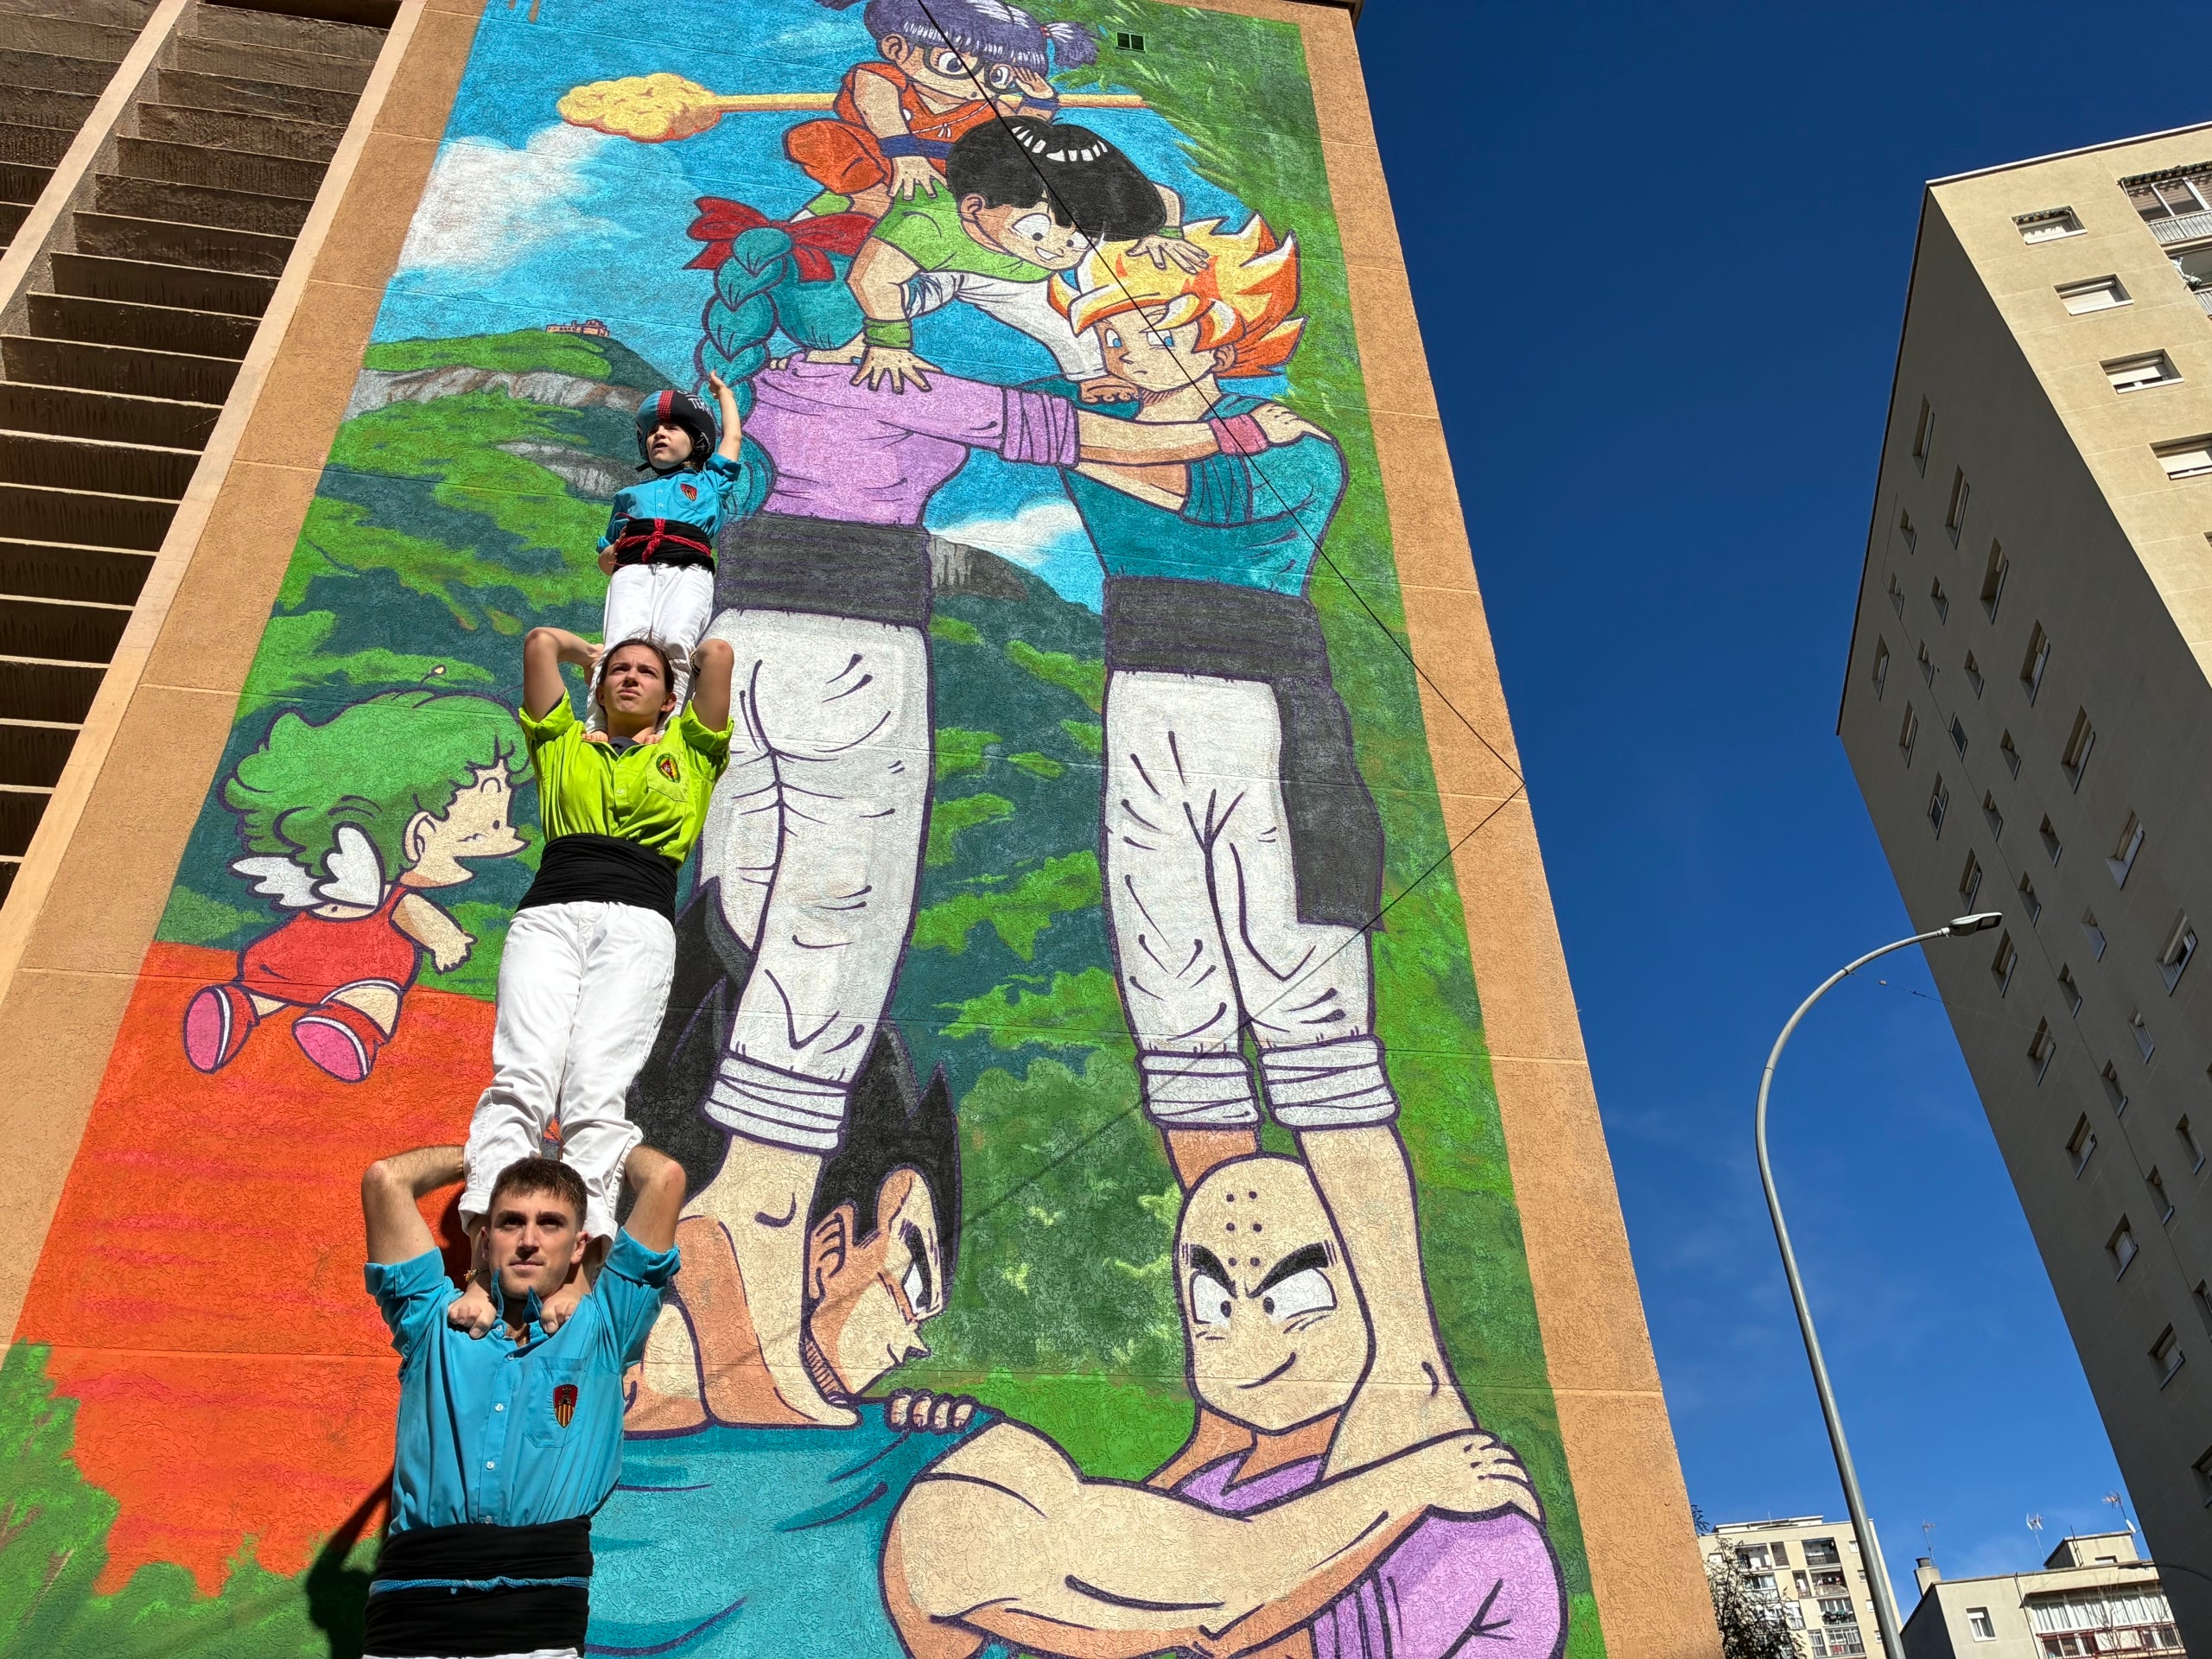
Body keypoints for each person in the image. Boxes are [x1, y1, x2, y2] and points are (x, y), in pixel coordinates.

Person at [665, 223, 1323, 1428]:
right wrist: (1236, 425)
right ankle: (750, 1225)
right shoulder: (912, 382)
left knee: (741, 928)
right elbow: (1108, 434)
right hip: (851, 651)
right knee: (833, 953)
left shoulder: (750, 380)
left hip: (733, 644)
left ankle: (677, 1291)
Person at [449, 626, 734, 1336]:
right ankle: (481, 1270)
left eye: (646, 674)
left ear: (672, 698)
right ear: (598, 687)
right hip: (550, 915)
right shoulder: (561, 743)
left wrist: (675, 661)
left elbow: (719, 658)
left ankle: (580, 1267)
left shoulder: (691, 752)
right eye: (618, 671)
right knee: (522, 1078)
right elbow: (542, 641)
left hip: (638, 924)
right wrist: (595, 657)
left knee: (595, 1095)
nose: (629, 678)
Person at [359, 1141, 686, 1659]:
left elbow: (664, 1179)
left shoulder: (602, 1330)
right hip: (409, 1627)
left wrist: (603, 1149)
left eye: (550, 1224)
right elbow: (385, 1180)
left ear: (578, 1246)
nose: (529, 1241)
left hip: (536, 1633)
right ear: (485, 1240)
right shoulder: (433, 1325)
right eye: (512, 1222)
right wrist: (488, 1152)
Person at [183, 691, 528, 1082]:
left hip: (288, 951)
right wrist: (446, 940)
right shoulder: (391, 897)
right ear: (419, 833)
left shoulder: (323, 879)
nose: (506, 842)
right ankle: (349, 1028)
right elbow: (418, 916)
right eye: (480, 834)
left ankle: (237, 1004)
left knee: (268, 989)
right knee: (375, 999)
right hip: (364, 967)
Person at [842, 116, 1205, 398]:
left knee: (1069, 331)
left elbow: (1162, 196)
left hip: (1015, 280)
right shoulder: (927, 222)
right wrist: (889, 344)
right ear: (973, 208)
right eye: (1036, 229)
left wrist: (1164, 233)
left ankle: (1093, 378)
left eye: (1083, 239)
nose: (1062, 248)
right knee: (882, 306)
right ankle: (856, 342)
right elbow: (872, 278)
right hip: (942, 270)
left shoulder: (1088, 210)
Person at [787, 0, 1094, 220]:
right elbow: (874, 94)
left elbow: (1016, 138)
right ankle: (871, 206)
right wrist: (905, 155)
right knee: (820, 137)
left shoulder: (985, 107)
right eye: (954, 64)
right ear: (897, 49)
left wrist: (1039, 101)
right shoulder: (885, 79)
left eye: (998, 76)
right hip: (883, 169)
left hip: (948, 181)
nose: (975, 85)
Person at [585, 375, 761, 734]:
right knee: (619, 644)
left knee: (677, 642)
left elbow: (733, 438)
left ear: (696, 442)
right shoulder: (628, 495)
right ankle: (597, 723)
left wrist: (725, 395)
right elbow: (607, 554)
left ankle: (664, 729)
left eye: (671, 428)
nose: (659, 435)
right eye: (653, 432)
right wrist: (609, 557)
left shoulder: (711, 481)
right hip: (633, 571)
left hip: (689, 571)